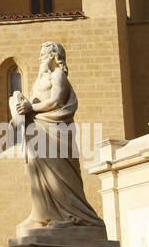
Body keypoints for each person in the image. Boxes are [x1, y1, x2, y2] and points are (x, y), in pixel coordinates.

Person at [10, 42, 104, 231]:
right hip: (36, 131)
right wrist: (18, 108)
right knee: (36, 173)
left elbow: (56, 100)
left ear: (54, 56)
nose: (40, 58)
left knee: (60, 173)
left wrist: (31, 107)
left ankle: (72, 213)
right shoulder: (39, 80)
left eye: (43, 54)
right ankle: (40, 215)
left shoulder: (58, 75)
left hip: (55, 131)